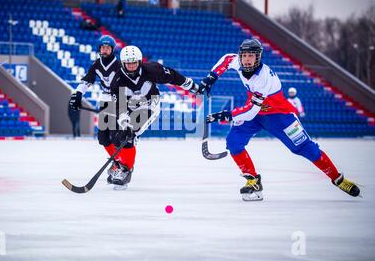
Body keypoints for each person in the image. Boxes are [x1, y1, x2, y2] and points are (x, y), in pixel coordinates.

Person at [198, 38, 360, 201]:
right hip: (256, 114)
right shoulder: (238, 62)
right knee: (234, 142)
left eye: (251, 56)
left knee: (305, 148)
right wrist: (211, 78)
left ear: (258, 57)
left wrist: (226, 115)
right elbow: (226, 59)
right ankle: (253, 180)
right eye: (244, 55)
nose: (246, 60)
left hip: (279, 115)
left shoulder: (264, 78)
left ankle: (338, 179)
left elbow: (250, 111)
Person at [107, 45, 199, 190]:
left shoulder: (152, 70)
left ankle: (126, 171)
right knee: (115, 135)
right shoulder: (117, 80)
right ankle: (119, 162)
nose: (131, 66)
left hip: (149, 105)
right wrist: (124, 123)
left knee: (129, 136)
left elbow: (173, 76)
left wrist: (191, 86)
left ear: (139, 62)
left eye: (134, 63)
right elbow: (119, 105)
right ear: (123, 63)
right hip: (129, 107)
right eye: (128, 63)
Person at [69, 35, 122, 161]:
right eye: (102, 47)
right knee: (103, 137)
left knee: (116, 136)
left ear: (112, 49)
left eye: (107, 48)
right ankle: (116, 161)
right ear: (99, 49)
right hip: (105, 99)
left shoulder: (119, 65)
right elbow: (87, 80)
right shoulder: (96, 64)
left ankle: (123, 163)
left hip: (120, 99)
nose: (104, 50)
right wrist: (78, 94)